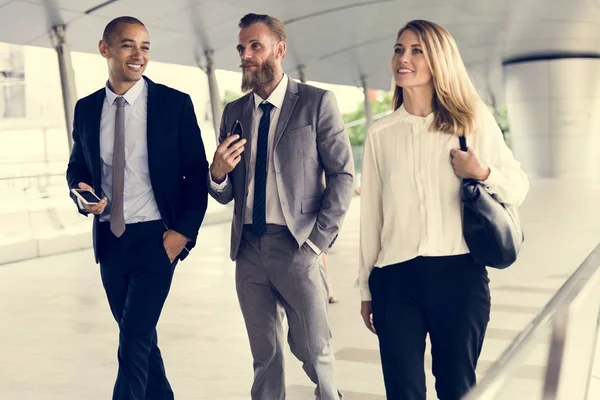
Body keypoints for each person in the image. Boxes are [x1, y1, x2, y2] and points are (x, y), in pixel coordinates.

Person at [357, 20, 529, 400]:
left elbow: (518, 186)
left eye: (417, 50)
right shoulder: (381, 134)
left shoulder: (471, 122)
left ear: (439, 60)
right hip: (395, 279)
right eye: (399, 49)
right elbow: (372, 216)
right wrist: (367, 287)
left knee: (456, 388)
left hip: (459, 276)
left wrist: (481, 171)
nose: (404, 58)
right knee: (403, 391)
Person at [208, 13, 354, 400]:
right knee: (265, 355)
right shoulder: (233, 113)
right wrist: (217, 173)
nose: (246, 55)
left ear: (280, 49)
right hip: (249, 250)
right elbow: (225, 193)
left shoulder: (316, 103)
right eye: (242, 48)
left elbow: (342, 176)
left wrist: (316, 244)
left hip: (297, 245)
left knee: (313, 348)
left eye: (255, 46)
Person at [66, 16, 209, 400]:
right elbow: (77, 168)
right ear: (105, 49)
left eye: (144, 46)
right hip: (111, 243)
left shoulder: (174, 105)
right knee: (140, 339)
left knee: (132, 345)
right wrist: (83, 196)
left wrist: (183, 233)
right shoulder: (86, 109)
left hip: (157, 240)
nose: (138, 55)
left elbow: (196, 174)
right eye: (128, 45)